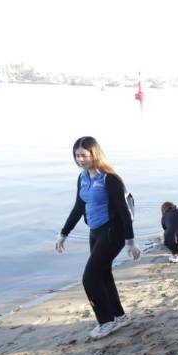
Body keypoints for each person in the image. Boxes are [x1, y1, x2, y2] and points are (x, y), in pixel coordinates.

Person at [56, 136, 141, 339]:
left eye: (84, 155)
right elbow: (79, 207)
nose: (80, 160)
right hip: (95, 232)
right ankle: (119, 316)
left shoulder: (109, 179)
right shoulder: (83, 178)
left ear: (95, 154)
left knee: (89, 278)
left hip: (113, 233)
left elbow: (123, 212)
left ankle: (106, 321)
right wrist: (63, 234)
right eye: (77, 156)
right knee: (103, 274)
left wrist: (130, 242)